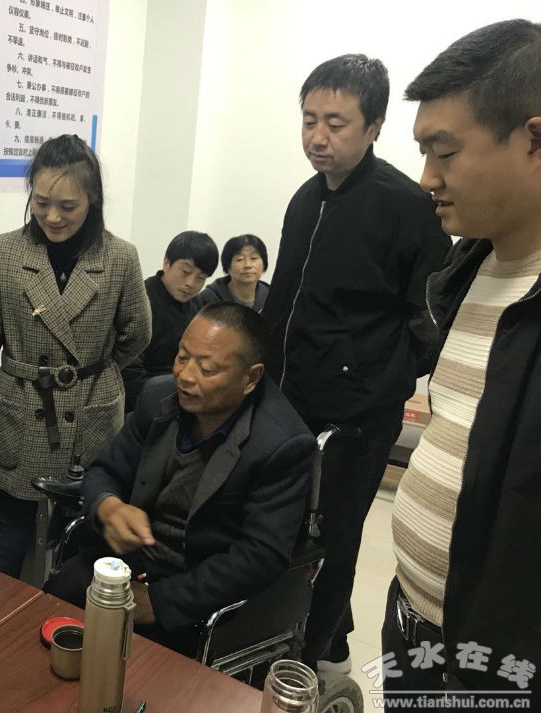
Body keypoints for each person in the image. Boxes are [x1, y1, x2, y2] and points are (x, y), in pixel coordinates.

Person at [259, 54, 451, 673]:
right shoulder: (304, 199)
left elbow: (433, 319)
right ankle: (321, 635)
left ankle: (312, 662)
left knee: (336, 539)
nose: (318, 136)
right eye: (309, 119)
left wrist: (376, 377)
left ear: (374, 127)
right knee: (282, 526)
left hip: (359, 418)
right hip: (290, 401)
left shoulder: (407, 207)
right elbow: (283, 302)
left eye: (336, 123)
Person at [383, 20, 540, 709]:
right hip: (415, 625)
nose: (427, 179)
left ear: (534, 140)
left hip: (499, 669)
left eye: (444, 152)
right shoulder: (468, 267)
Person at [45, 303, 314, 653]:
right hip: (128, 562)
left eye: (206, 368)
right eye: (182, 357)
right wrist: (109, 507)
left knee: (138, 668)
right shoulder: (159, 397)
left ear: (250, 378)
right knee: (49, 612)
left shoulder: (281, 444)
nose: (185, 375)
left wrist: (159, 602)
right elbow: (105, 470)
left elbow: (260, 556)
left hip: (197, 589)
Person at [0, 134, 151, 579]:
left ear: (92, 199)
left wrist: (91, 372)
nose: (53, 216)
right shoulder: (6, 251)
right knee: (8, 541)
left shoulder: (120, 257)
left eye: (68, 206)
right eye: (41, 202)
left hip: (89, 412)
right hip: (20, 411)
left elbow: (138, 334)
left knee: (83, 545)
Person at [122, 230, 218, 412]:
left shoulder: (199, 306)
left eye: (201, 278)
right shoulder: (139, 300)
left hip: (183, 394)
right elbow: (129, 369)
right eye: (185, 272)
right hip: (144, 402)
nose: (191, 283)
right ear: (166, 263)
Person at [195, 234, 270, 311]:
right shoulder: (208, 299)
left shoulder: (271, 297)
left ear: (264, 264)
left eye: (254, 258)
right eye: (240, 259)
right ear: (228, 266)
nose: (248, 265)